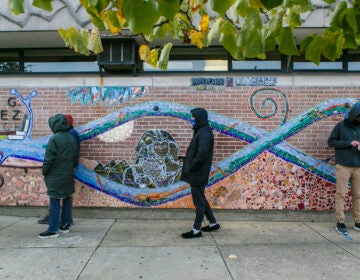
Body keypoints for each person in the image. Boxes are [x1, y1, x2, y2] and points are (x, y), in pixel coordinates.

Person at [180, 107, 220, 239]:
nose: (191, 119)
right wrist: (186, 159)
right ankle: (213, 223)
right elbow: (197, 152)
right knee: (201, 198)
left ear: (199, 118)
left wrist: (191, 165)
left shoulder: (204, 133)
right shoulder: (201, 131)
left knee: (198, 202)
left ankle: (196, 230)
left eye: (193, 117)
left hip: (198, 173)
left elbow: (202, 154)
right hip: (197, 171)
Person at [38, 114, 79, 238]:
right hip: (68, 174)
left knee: (54, 201)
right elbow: (75, 157)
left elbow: (49, 159)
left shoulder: (54, 139)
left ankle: (53, 229)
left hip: (55, 175)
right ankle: (65, 225)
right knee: (67, 198)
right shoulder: (71, 137)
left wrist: (44, 171)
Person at [328, 105, 360, 235]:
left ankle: (358, 221)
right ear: (354, 115)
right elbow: (331, 142)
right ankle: (340, 222)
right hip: (343, 166)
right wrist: (349, 143)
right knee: (341, 195)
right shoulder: (340, 126)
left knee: (358, 196)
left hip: (358, 167)